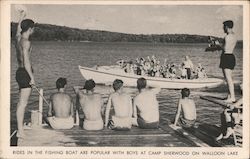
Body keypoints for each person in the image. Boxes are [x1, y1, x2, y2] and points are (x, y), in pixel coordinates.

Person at [15, 10, 36, 138]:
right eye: (33, 28)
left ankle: (20, 128)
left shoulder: (18, 39)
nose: (33, 31)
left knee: (20, 103)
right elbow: (27, 62)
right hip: (25, 73)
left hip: (19, 72)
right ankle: (20, 131)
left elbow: (17, 30)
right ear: (30, 29)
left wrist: (21, 18)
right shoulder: (26, 42)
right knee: (23, 104)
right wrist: (32, 78)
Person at [219, 20, 237, 103]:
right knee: (228, 78)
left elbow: (225, 48)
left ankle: (232, 97)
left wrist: (218, 45)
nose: (223, 28)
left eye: (224, 27)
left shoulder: (227, 37)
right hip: (231, 56)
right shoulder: (234, 36)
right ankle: (229, 96)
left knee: (228, 79)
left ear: (226, 27)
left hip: (226, 57)